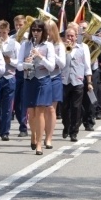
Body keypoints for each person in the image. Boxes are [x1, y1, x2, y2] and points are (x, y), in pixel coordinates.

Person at [22, 20, 56, 155]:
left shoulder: (48, 46)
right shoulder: (25, 45)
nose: (35, 33)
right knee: (31, 113)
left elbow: (52, 67)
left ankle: (40, 143)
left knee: (40, 112)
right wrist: (26, 63)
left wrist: (40, 56)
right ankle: (33, 134)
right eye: (33, 30)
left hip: (43, 80)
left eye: (38, 30)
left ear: (43, 32)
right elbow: (18, 65)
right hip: (29, 79)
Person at [61, 23, 93, 142]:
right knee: (64, 107)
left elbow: (87, 66)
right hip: (64, 80)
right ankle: (66, 126)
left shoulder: (83, 47)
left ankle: (74, 132)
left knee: (76, 107)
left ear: (76, 36)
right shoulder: (61, 48)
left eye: (72, 36)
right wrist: (65, 49)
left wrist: (89, 82)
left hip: (78, 81)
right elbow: (59, 63)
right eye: (68, 36)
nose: (70, 38)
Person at [0, 20, 20, 141]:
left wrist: (10, 61)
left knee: (7, 107)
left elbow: (19, 63)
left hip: (9, 77)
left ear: (8, 31)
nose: (1, 35)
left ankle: (5, 131)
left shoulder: (14, 44)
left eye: (4, 33)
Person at [43, 20, 66, 150]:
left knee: (51, 108)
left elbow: (62, 64)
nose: (46, 32)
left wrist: (53, 55)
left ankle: (49, 137)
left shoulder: (59, 45)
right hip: (41, 77)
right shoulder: (41, 44)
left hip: (54, 77)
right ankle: (40, 133)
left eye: (48, 30)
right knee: (42, 108)